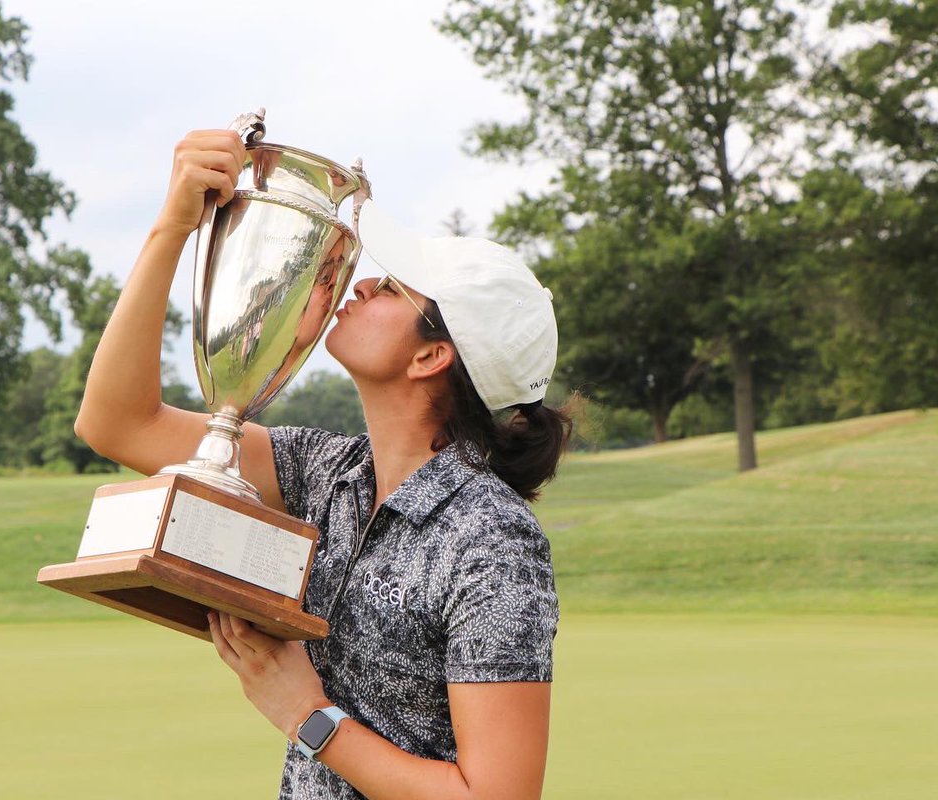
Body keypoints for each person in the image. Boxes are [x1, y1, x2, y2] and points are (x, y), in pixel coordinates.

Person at [74, 128, 574, 800]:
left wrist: (307, 715)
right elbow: (117, 423)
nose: (361, 284)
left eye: (391, 288)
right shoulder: (327, 472)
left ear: (431, 357)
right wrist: (173, 228)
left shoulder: (494, 540)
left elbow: (497, 796)